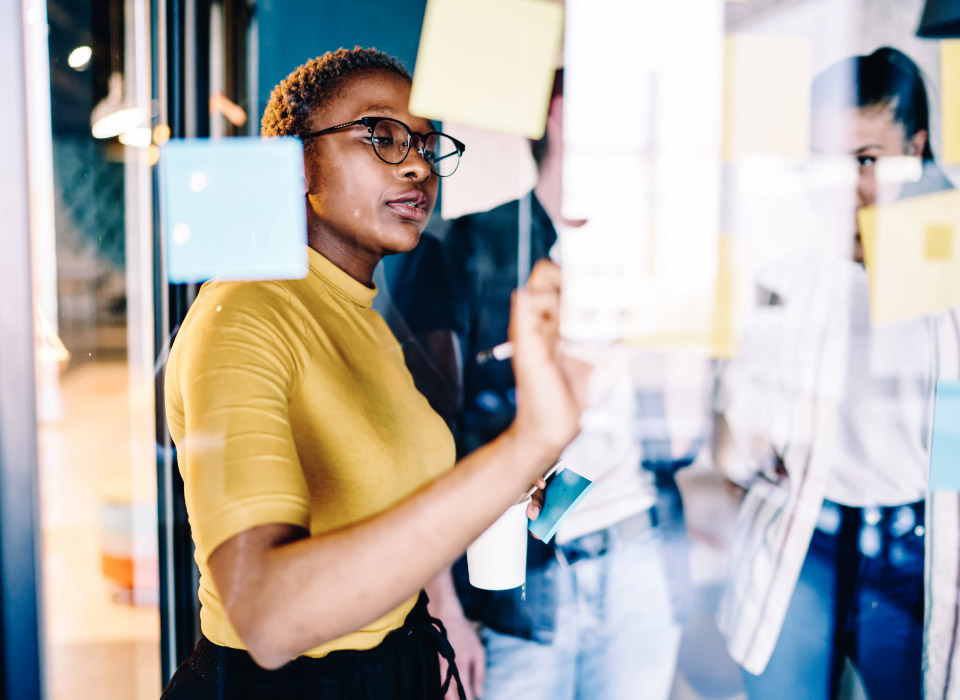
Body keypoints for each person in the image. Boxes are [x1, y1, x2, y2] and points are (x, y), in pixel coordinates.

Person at [159, 47, 579, 700]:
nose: (418, 164)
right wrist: (527, 442)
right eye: (381, 137)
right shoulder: (244, 314)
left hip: (396, 659)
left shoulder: (362, 312)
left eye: (427, 143)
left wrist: (506, 484)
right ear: (298, 164)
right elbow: (266, 616)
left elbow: (381, 498)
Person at [385, 70, 706, 700]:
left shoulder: (662, 257)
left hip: (641, 558)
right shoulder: (463, 251)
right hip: (515, 589)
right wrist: (440, 603)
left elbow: (681, 436)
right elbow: (420, 445)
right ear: (562, 112)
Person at [714, 46, 957, 700]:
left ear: (918, 144)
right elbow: (734, 422)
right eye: (827, 162)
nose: (847, 185)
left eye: (868, 160)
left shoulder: (948, 261)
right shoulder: (785, 266)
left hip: (912, 545)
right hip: (803, 537)